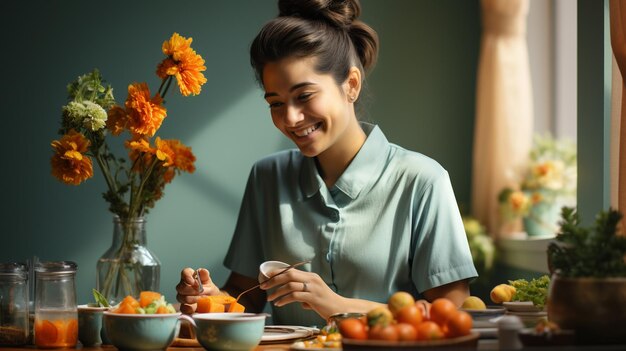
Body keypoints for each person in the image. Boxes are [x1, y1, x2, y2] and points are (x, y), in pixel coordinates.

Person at [176, 0, 478, 327]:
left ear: (351, 84)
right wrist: (210, 297)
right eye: (276, 103)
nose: (290, 118)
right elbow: (246, 295)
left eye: (304, 96)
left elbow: (451, 313)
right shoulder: (267, 177)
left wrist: (336, 305)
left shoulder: (422, 181)